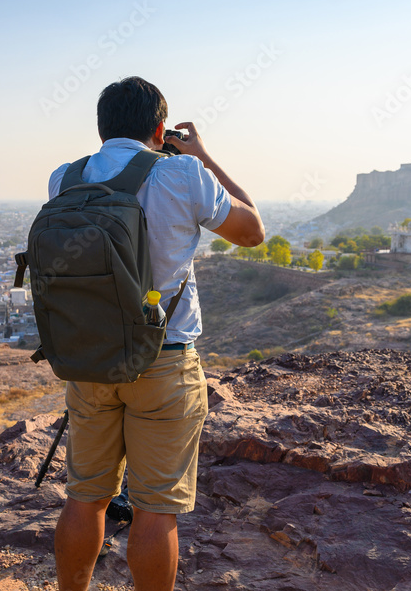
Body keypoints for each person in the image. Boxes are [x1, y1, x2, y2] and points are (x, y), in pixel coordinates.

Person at [49, 77, 265, 591]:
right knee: (155, 509)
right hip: (163, 358)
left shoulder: (64, 178)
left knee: (85, 497)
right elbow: (253, 231)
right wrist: (204, 154)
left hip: (89, 358)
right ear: (161, 129)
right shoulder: (184, 173)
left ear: (101, 128)